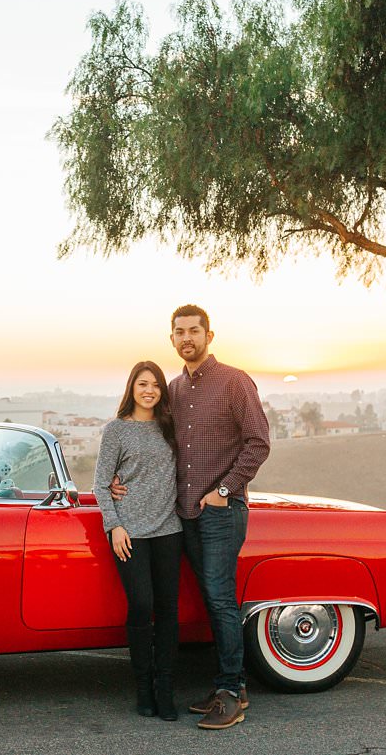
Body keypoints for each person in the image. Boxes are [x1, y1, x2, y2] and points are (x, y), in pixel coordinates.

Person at [115, 304, 269, 729]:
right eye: (179, 332)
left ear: (209, 335)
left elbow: (258, 443)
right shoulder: (175, 390)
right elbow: (155, 448)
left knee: (220, 599)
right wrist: (118, 481)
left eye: (194, 331)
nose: (187, 338)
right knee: (207, 599)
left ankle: (232, 692)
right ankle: (225, 682)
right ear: (172, 340)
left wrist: (223, 492)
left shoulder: (235, 382)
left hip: (221, 513)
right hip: (182, 517)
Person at [94, 360, 184, 720]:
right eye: (143, 384)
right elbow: (101, 483)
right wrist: (114, 525)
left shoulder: (170, 427)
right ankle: (142, 687)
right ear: (132, 387)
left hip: (169, 530)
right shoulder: (116, 430)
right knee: (141, 606)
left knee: (167, 611)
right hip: (129, 533)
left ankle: (165, 690)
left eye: (156, 385)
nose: (149, 390)